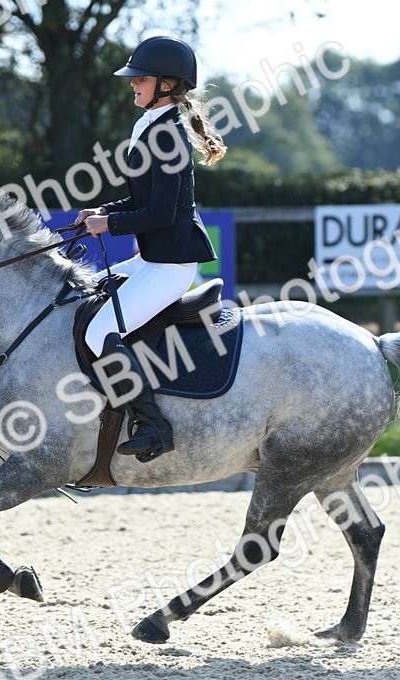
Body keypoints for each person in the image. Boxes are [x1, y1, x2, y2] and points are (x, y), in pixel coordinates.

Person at [74, 35, 227, 463]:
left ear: (165, 84)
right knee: (81, 301)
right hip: (153, 259)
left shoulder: (167, 135)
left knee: (98, 332)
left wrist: (110, 224)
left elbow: (160, 213)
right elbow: (143, 202)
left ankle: (153, 424)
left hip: (171, 265)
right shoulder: (153, 127)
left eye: (139, 79)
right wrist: (101, 210)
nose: (132, 85)